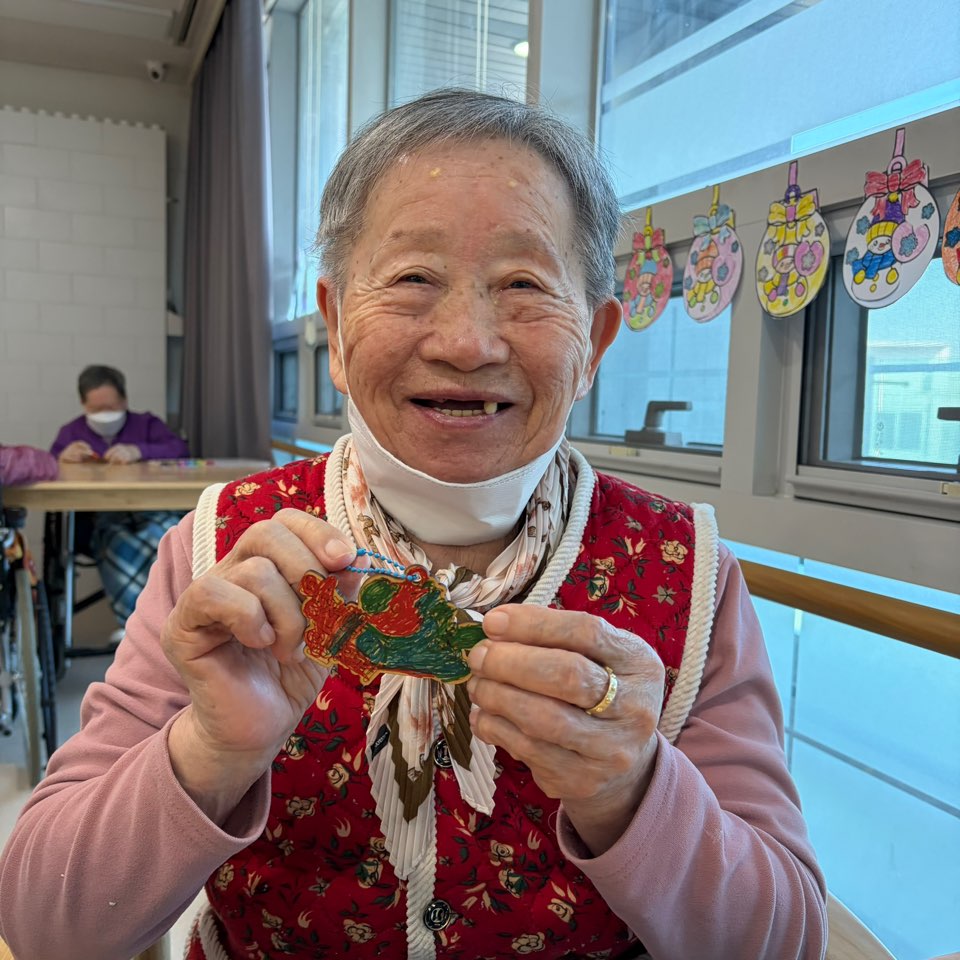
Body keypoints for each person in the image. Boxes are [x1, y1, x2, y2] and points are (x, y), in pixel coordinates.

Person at [0, 90, 827, 960]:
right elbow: (47, 927)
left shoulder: (687, 574)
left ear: (596, 341)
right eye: (412, 280)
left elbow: (783, 943)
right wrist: (207, 751)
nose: (466, 342)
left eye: (523, 285)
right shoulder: (222, 552)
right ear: (334, 324)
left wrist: (636, 791)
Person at [49, 364, 188, 627]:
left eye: (111, 407)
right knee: (117, 541)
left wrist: (140, 451)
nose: (104, 414)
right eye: (96, 409)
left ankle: (167, 618)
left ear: (124, 400)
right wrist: (62, 458)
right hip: (99, 518)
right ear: (83, 405)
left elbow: (179, 449)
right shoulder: (71, 433)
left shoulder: (147, 424)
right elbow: (48, 465)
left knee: (163, 537)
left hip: (151, 509)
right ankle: (140, 625)